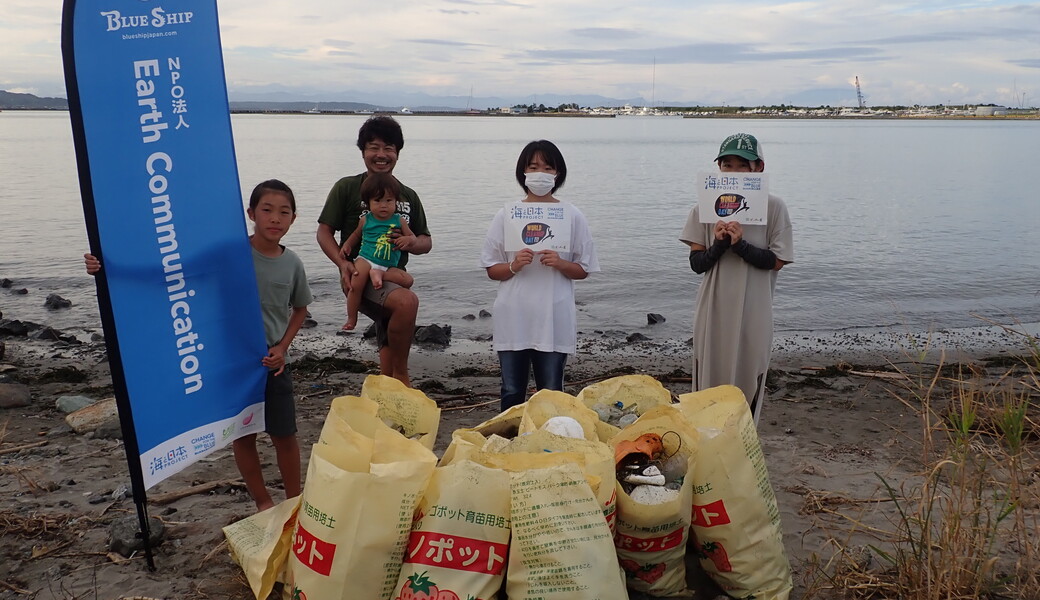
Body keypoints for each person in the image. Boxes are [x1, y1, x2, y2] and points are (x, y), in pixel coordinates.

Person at [85, 179, 313, 512]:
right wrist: (109, 267)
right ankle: (263, 502)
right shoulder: (230, 253)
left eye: (284, 212)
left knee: (284, 435)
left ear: (294, 218)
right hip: (233, 365)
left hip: (273, 364)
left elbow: (301, 308)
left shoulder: (292, 263)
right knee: (243, 434)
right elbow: (173, 270)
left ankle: (295, 501)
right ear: (250, 213)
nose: (275, 219)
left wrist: (283, 348)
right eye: (267, 210)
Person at [679, 133, 794, 424]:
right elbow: (697, 264)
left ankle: (743, 447)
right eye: (726, 165)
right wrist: (718, 244)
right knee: (708, 381)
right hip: (713, 308)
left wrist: (741, 246)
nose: (733, 172)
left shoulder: (774, 208)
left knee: (749, 378)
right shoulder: (704, 208)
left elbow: (777, 261)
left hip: (755, 309)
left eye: (742, 165)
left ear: (759, 168)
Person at [480, 140, 600, 410]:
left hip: (553, 316)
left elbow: (584, 269)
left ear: (558, 173)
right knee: (511, 391)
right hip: (514, 315)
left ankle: (550, 444)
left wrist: (560, 263)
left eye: (547, 167)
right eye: (533, 167)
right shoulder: (507, 215)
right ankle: (509, 444)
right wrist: (513, 266)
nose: (540, 173)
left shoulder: (572, 216)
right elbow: (491, 268)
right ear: (522, 172)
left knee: (552, 392)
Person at [317, 116, 431, 387]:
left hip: (392, 275)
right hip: (360, 275)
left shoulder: (408, 195)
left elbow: (426, 240)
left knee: (395, 308)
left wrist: (412, 243)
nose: (381, 155)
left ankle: (388, 387)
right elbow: (324, 232)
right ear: (363, 151)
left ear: (398, 153)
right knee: (406, 302)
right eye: (373, 147)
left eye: (388, 148)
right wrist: (342, 263)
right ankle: (402, 376)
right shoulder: (347, 187)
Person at [340, 173, 416, 331]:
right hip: (366, 259)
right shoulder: (366, 219)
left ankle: (380, 275)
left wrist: (408, 240)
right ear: (368, 203)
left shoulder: (399, 220)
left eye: (389, 201)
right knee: (356, 284)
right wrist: (347, 245)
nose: (383, 205)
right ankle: (351, 318)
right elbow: (355, 235)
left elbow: (412, 237)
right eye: (377, 201)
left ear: (396, 201)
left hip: (388, 265)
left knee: (408, 280)